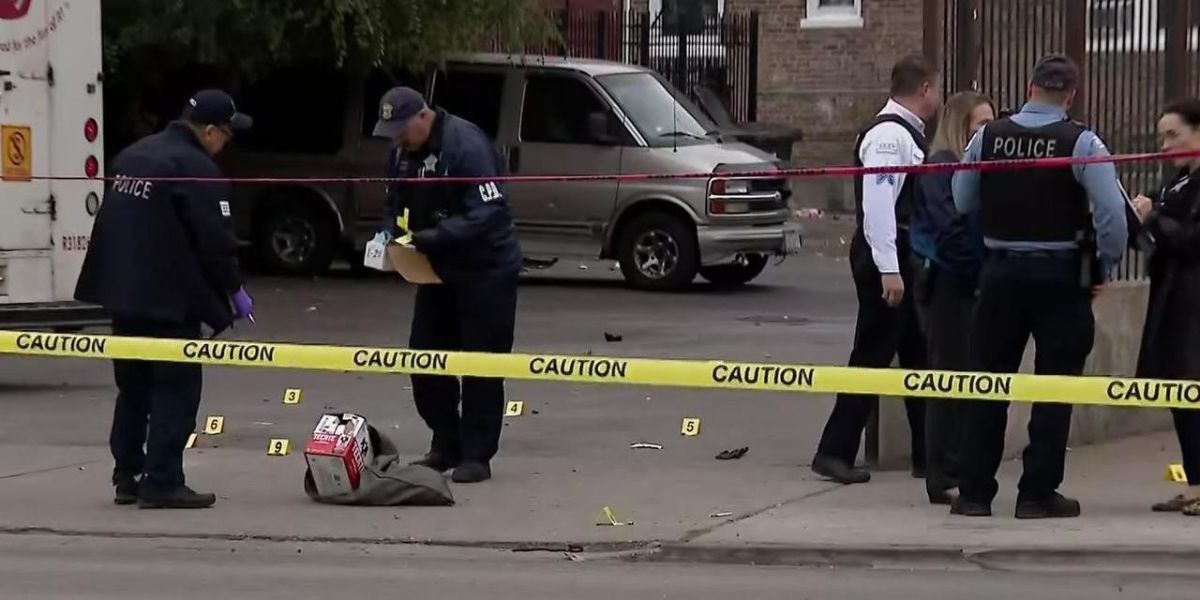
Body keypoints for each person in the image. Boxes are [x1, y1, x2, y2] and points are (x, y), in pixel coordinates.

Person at [951, 55, 1128, 519]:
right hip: (1060, 277)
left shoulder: (987, 136)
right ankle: (1036, 494)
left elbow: (962, 197)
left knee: (987, 383)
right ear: (1071, 94)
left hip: (1000, 274)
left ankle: (973, 493)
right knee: (1055, 387)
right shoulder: (1082, 142)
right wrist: (1103, 266)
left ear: (1030, 87)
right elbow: (1112, 217)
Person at [75, 89, 254, 509]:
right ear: (210, 131)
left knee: (132, 389)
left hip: (123, 295)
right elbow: (216, 243)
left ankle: (128, 476)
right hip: (169, 303)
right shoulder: (197, 169)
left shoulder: (134, 156)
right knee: (175, 389)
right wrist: (233, 290)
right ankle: (162, 481)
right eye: (227, 135)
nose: (226, 145)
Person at [373, 86, 522, 484]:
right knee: (424, 359)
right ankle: (445, 441)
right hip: (434, 270)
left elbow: (488, 213)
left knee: (481, 364)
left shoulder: (466, 145)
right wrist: (387, 235)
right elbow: (394, 204)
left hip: (485, 270)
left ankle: (477, 455)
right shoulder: (401, 152)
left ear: (424, 117)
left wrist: (430, 237)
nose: (397, 139)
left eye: (401, 129)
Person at [812, 55, 942, 485]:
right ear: (925, 89)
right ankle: (834, 452)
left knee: (918, 356)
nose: (938, 98)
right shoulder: (889, 135)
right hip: (887, 253)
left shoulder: (902, 133)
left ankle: (930, 455)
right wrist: (890, 268)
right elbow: (880, 205)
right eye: (936, 90)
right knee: (871, 353)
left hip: (899, 252)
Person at [909, 91, 995, 505]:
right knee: (949, 376)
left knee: (968, 375)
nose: (989, 133)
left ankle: (957, 465)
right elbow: (951, 230)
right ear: (962, 127)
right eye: (981, 125)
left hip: (970, 282)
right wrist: (982, 268)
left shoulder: (973, 168)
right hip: (949, 283)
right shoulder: (942, 167)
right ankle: (942, 473)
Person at [1132, 99, 1200, 516]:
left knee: (1192, 391)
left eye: (1173, 134)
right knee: (1180, 394)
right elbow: (1155, 239)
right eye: (1162, 135)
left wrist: (1153, 217)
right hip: (1171, 298)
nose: (1164, 144)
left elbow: (1192, 239)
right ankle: (1193, 482)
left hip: (1193, 302)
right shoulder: (1176, 182)